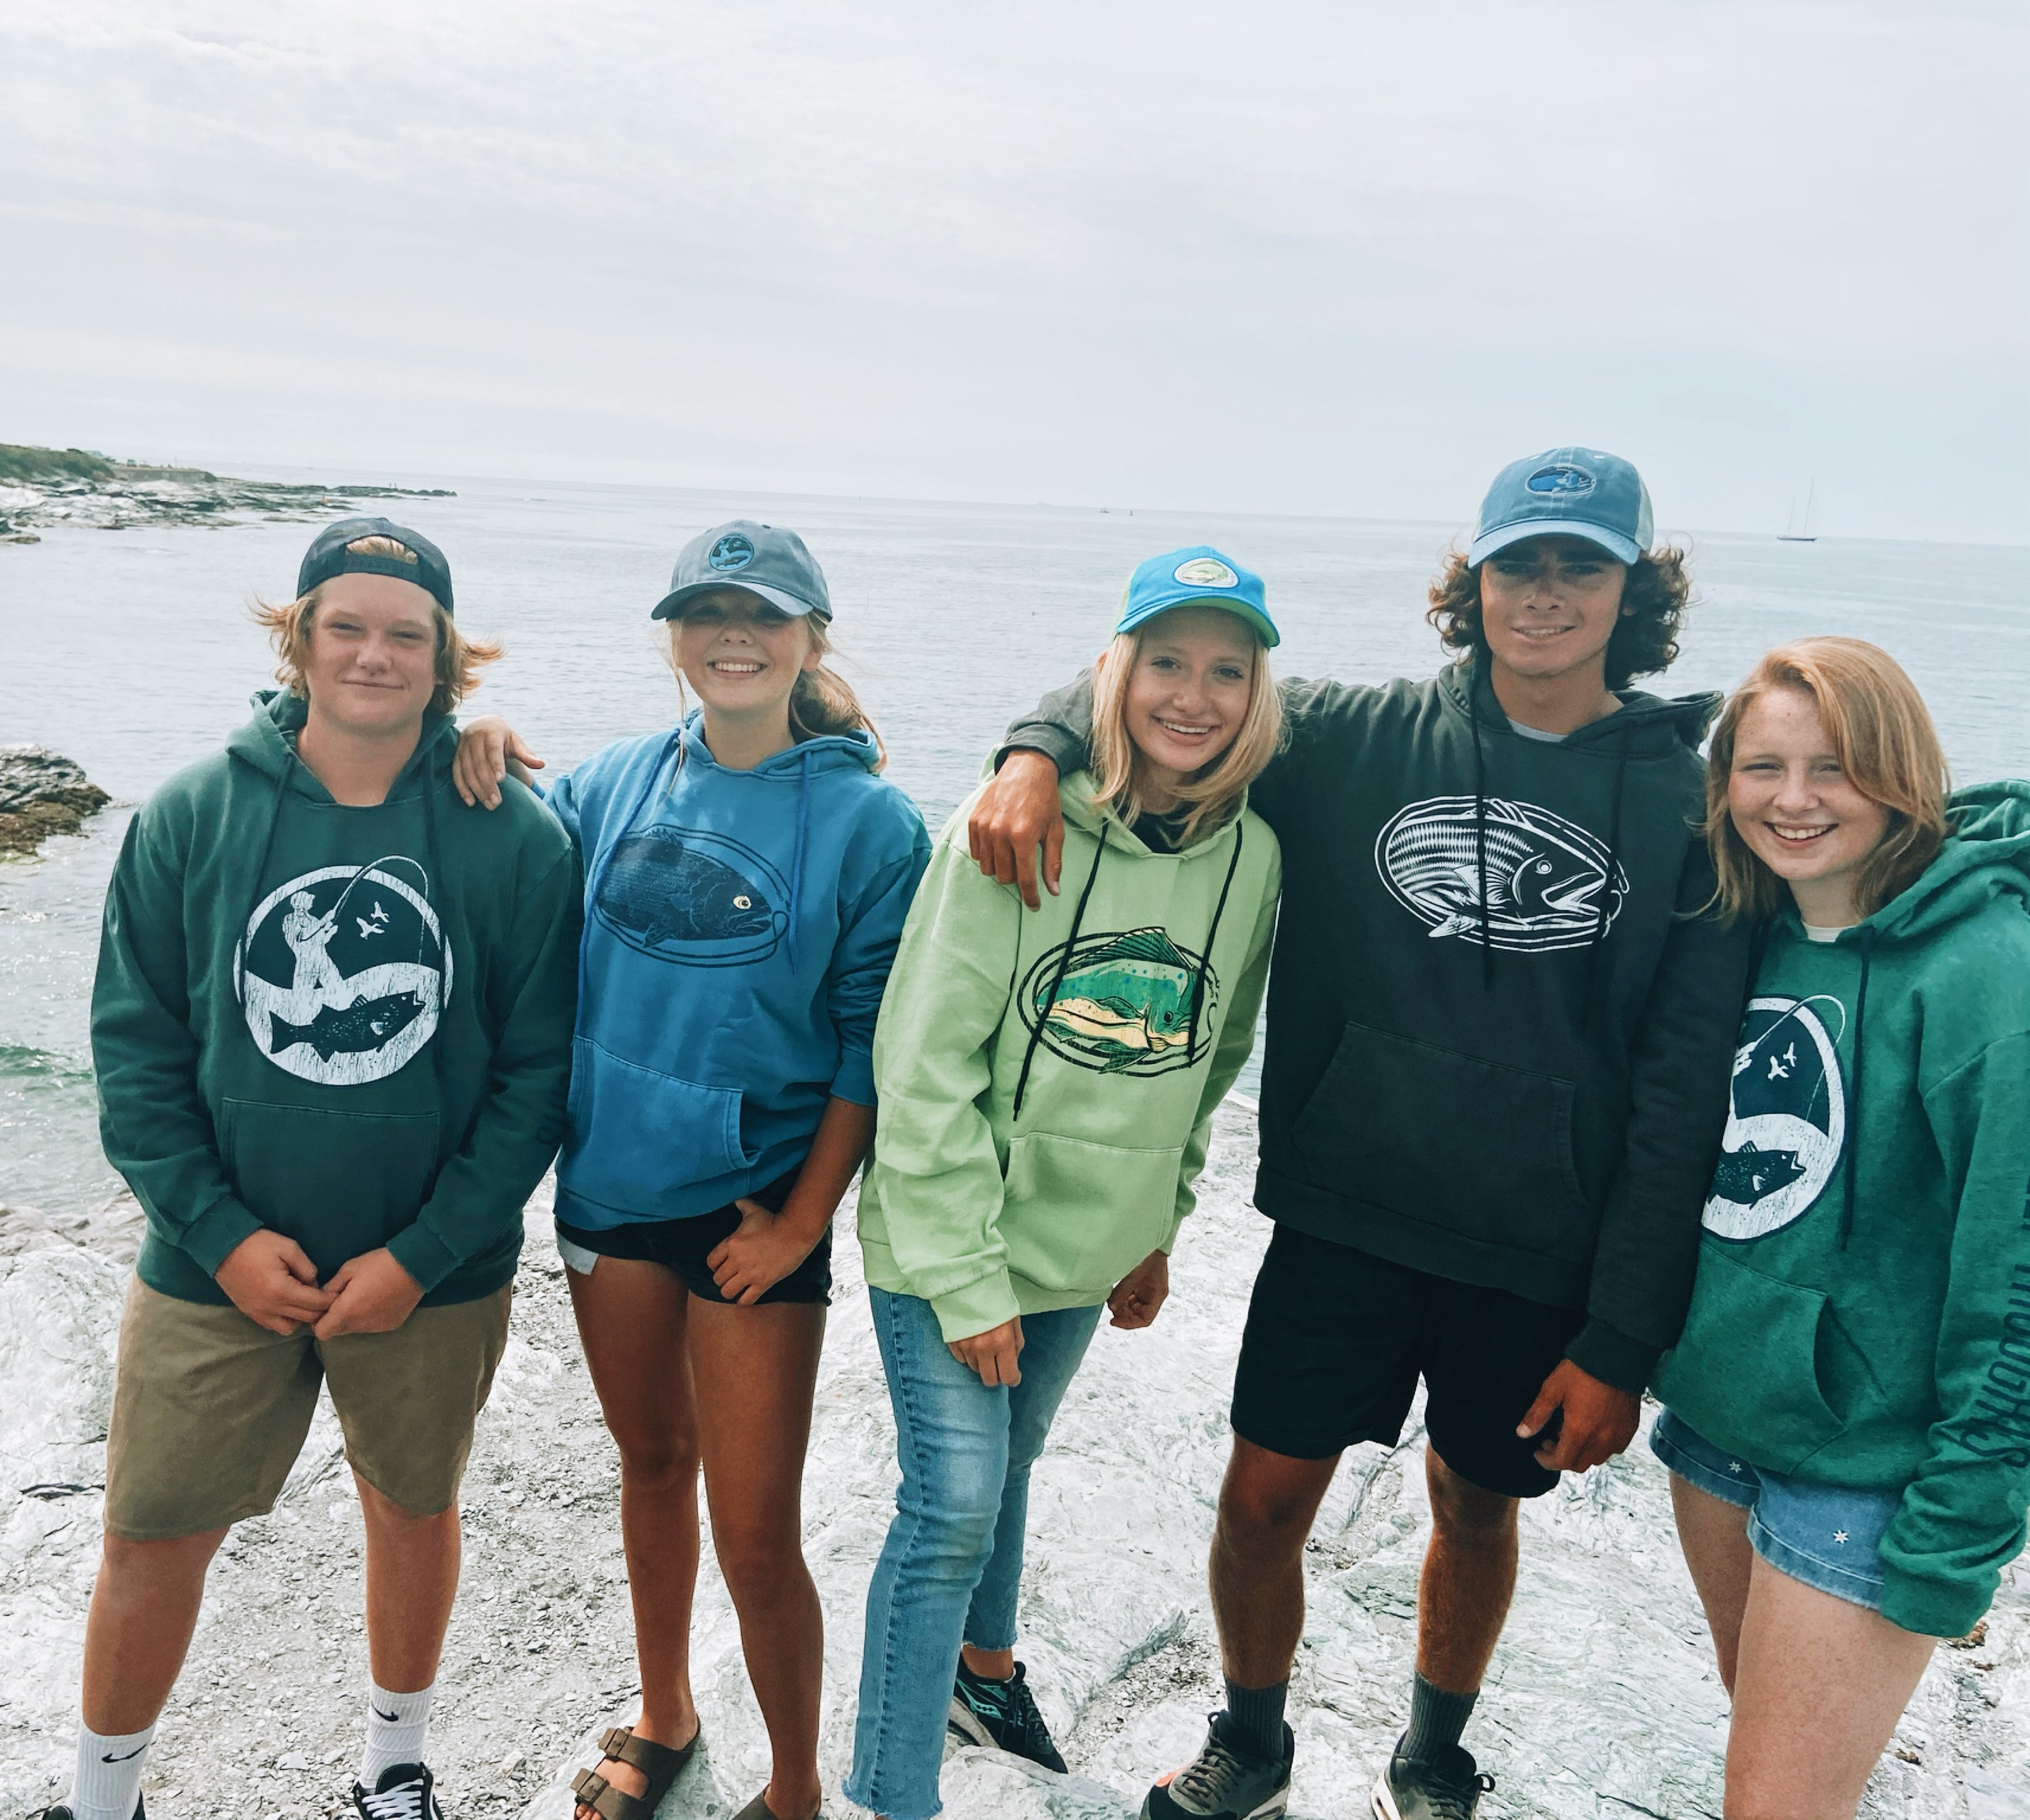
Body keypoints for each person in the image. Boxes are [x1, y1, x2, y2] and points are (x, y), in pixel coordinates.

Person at [968, 451, 1749, 1818]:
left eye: (1581, 565)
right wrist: (1036, 750)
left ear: (1633, 590)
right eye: (1520, 563)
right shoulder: (1351, 739)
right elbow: (1174, 705)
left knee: (1476, 1507)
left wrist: (1621, 1340)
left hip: (1537, 1249)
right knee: (1261, 1502)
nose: (1546, 594)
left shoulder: (1690, 805)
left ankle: (1432, 1756)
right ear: (1475, 579)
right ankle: (1252, 1745)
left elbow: (1686, 1094)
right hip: (1347, 1219)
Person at [54, 518, 580, 1820]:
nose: (373, 654)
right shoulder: (192, 813)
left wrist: (424, 1253)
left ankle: (394, 1773)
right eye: (344, 625)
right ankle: (102, 1797)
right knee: (150, 1532)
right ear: (296, 638)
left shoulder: (514, 837)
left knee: (409, 1508)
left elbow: (535, 1079)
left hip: (430, 1272)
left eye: (407, 633)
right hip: (211, 1262)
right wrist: (218, 1231)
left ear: (450, 658)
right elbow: (135, 1051)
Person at [458, 522, 927, 1820]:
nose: (734, 635)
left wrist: (799, 1226)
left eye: (764, 614)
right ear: (672, 635)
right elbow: (488, 856)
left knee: (759, 1534)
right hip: (607, 1196)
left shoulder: (871, 822)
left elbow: (867, 1049)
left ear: (809, 640)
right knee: (651, 1465)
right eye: (707, 611)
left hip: (751, 1216)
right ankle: (665, 1714)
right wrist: (477, 743)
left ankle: (790, 1794)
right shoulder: (607, 783)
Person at [848, 549, 1284, 1820]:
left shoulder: (1254, 857)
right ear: (1115, 673)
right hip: (949, 1240)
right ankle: (890, 1796)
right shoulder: (1011, 826)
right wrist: (968, 1276)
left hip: (1090, 1250)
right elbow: (919, 1065)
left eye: (1225, 670)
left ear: (1258, 695)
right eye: (1164, 662)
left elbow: (1216, 1056)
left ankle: (983, 1678)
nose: (1191, 696)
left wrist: (1159, 1225)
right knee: (952, 1505)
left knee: (1015, 1459)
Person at [1647, 638, 2030, 1819]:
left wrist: (1957, 1538)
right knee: (1783, 1775)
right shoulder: (1742, 928)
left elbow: (2015, 1287)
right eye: (1763, 767)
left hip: (1870, 1471)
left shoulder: (1987, 974)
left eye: (1836, 767)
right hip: (1718, 1425)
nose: (1796, 800)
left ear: (1901, 771)